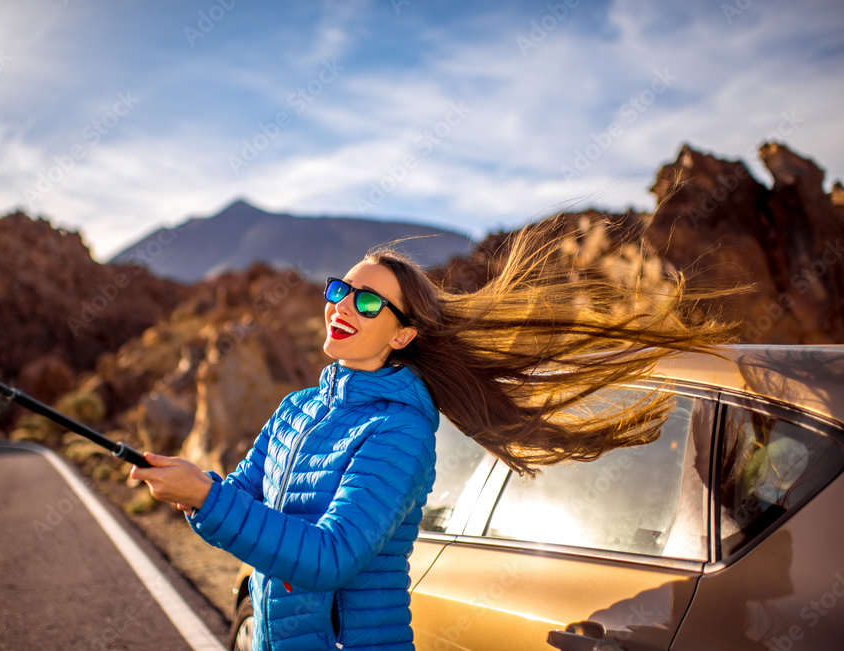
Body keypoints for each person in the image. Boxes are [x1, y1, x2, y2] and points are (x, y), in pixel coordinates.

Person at [129, 225, 736, 650]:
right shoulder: (298, 408)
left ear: (402, 336)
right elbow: (240, 496)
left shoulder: (399, 429)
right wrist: (187, 487)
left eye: (368, 302)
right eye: (339, 291)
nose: (343, 305)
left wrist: (208, 500)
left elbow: (331, 556)